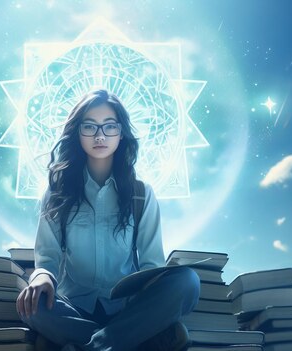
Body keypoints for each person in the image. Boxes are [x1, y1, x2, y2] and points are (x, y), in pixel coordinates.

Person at [16, 89, 200, 351]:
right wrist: (41, 278)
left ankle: (93, 345)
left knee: (187, 281)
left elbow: (151, 263)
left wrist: (154, 297)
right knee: (30, 307)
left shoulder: (141, 194)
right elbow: (47, 257)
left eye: (109, 126)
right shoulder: (58, 192)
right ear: (77, 132)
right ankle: (134, 340)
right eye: (89, 126)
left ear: (121, 132)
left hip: (128, 309)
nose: (100, 136)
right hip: (75, 306)